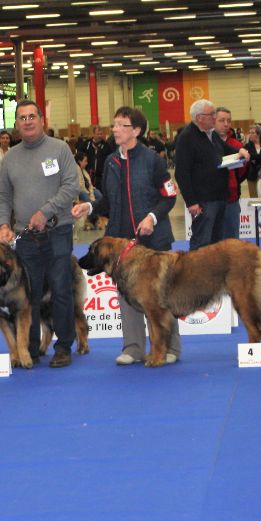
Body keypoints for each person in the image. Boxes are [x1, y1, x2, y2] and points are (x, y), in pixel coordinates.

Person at [71, 106, 179, 366]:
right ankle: (133, 348)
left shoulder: (153, 160)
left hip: (154, 241)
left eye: (122, 125)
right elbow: (107, 200)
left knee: (163, 297)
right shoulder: (110, 161)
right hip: (121, 243)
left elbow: (169, 195)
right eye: (115, 125)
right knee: (127, 295)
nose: (115, 129)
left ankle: (170, 347)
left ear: (137, 131)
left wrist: (152, 218)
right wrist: (89, 207)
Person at [0, 100, 80, 368]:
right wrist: (3, 225)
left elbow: (70, 186)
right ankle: (29, 348)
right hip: (25, 238)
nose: (27, 121)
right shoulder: (10, 158)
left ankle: (64, 347)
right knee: (27, 295)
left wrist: (45, 211)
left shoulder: (60, 149)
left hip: (58, 232)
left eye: (32, 116)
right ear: (16, 124)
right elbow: (4, 196)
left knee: (61, 290)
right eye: (22, 118)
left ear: (42, 120)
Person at [174, 99, 248, 251]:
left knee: (217, 244)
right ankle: (196, 274)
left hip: (220, 197)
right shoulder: (187, 137)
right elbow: (181, 172)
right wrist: (191, 202)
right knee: (202, 243)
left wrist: (239, 152)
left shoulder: (211, 134)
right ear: (199, 117)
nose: (215, 117)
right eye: (212, 114)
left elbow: (226, 149)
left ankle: (214, 274)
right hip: (203, 201)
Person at [214, 107, 246, 240]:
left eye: (228, 121)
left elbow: (243, 171)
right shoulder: (206, 143)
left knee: (233, 243)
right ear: (213, 121)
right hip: (211, 201)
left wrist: (233, 184)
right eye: (222, 120)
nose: (226, 124)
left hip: (231, 200)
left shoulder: (236, 145)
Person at [244, 124, 261, 198]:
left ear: (258, 134)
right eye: (250, 133)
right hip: (252, 175)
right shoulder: (247, 146)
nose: (250, 135)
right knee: (254, 197)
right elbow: (248, 158)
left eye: (252, 133)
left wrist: (254, 158)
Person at [84, 126, 112, 190]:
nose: (100, 136)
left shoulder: (106, 146)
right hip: (88, 175)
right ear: (93, 134)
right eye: (98, 134)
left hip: (101, 177)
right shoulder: (86, 145)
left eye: (101, 134)